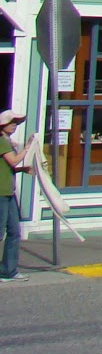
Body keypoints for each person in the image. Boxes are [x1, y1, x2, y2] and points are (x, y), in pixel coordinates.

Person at [0, 109, 30, 282]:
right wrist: (27, 148)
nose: (15, 126)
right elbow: (12, 160)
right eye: (12, 122)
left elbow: (9, 167)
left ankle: (8, 271)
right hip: (1, 192)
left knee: (14, 231)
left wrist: (22, 170)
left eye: (16, 123)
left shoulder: (8, 142)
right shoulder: (2, 142)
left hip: (8, 191)